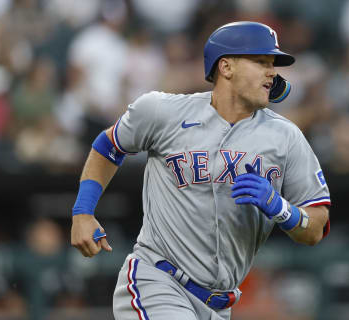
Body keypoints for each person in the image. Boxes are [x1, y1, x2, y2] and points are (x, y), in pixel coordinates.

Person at [71, 21, 331, 320]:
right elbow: (108, 145)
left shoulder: (286, 137)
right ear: (226, 67)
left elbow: (315, 227)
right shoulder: (162, 111)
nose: (272, 72)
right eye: (261, 62)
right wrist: (83, 211)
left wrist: (282, 209)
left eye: (272, 64)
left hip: (219, 306)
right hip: (158, 281)